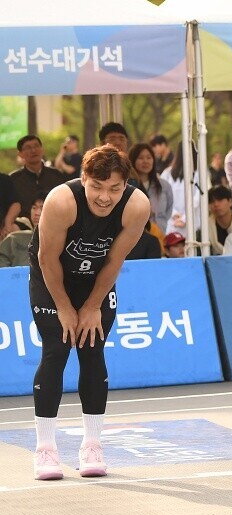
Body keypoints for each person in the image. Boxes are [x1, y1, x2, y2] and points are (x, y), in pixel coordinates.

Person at [28, 145, 150, 480]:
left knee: (92, 349)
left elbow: (114, 260)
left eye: (114, 188)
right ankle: (45, 450)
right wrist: (65, 307)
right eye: (96, 186)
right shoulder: (61, 201)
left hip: (97, 278)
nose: (104, 197)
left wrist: (93, 305)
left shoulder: (137, 206)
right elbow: (46, 259)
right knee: (56, 349)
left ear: (125, 185)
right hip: (52, 277)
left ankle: (92, 445)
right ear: (84, 179)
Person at [10, 135, 64, 222]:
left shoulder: (57, 175)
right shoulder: (13, 180)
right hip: (24, 226)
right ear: (20, 154)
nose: (33, 150)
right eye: (28, 148)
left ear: (42, 149)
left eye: (36, 146)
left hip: (55, 222)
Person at [129, 143, 173, 236]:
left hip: (160, 235)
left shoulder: (164, 185)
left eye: (149, 157)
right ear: (133, 160)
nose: (145, 161)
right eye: (141, 158)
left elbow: (169, 209)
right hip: (135, 236)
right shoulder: (128, 185)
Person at [0, 194, 44, 268]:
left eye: (42, 208)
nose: (37, 213)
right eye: (34, 208)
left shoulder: (61, 242)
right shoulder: (13, 240)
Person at [200, 186, 232, 256]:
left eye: (220, 200)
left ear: (230, 202)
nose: (216, 204)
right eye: (211, 201)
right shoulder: (204, 231)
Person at [1, 172, 22, 239]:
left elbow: (16, 205)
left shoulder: (4, 179)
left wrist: (8, 224)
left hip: (2, 226)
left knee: (15, 229)